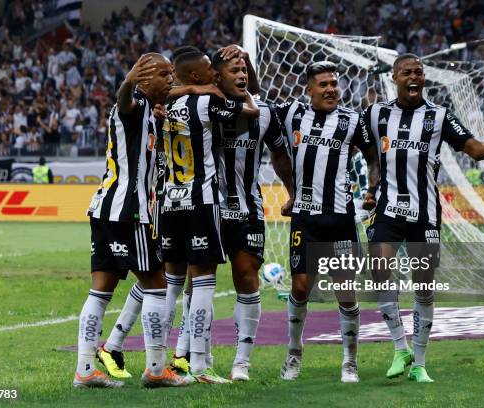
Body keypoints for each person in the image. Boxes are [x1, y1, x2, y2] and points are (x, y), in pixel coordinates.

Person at [363, 53, 484, 383]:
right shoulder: (376, 114)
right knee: (380, 273)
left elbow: (476, 150)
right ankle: (400, 348)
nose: (415, 76)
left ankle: (420, 363)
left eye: (419, 73)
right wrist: (370, 186)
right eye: (407, 72)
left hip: (425, 215)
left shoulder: (439, 117)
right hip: (388, 211)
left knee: (424, 288)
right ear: (394, 78)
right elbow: (368, 152)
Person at [73, 53, 189, 389]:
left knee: (100, 290)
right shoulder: (133, 102)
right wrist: (128, 81)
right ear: (144, 78)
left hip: (107, 211)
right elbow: (123, 101)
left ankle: (85, 369)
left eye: (173, 75)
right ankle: (155, 368)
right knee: (156, 285)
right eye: (165, 75)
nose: (171, 80)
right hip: (131, 213)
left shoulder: (149, 111)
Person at [274, 61, 380, 383]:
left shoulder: (351, 120)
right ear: (309, 89)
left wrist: (372, 188)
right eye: (323, 84)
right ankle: (293, 355)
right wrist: (291, 189)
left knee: (346, 292)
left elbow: (373, 155)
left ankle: (350, 362)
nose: (331, 89)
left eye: (334, 83)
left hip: (341, 218)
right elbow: (271, 143)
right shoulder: (292, 114)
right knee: (300, 286)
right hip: (305, 217)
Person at [159, 48, 259, 384]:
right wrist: (213, 91)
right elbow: (250, 109)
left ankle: (157, 362)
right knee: (201, 283)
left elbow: (157, 92)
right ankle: (199, 365)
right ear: (200, 76)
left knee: (167, 286)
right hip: (203, 201)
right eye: (212, 72)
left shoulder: (165, 103)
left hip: (170, 202)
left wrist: (186, 88)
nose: (217, 77)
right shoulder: (207, 103)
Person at [211, 47, 294, 381]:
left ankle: (241, 361)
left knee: (247, 277)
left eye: (245, 69)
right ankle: (192, 356)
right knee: (197, 281)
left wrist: (292, 191)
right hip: (209, 207)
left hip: (248, 207)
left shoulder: (266, 113)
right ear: (217, 77)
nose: (242, 73)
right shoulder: (206, 108)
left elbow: (279, 154)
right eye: (235, 69)